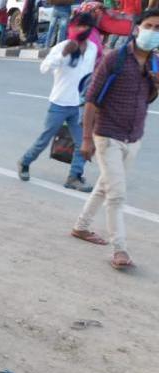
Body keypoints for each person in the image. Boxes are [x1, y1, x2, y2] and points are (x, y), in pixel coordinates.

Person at [72, 8, 159, 269]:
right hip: (107, 134)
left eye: (158, 28)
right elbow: (91, 100)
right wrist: (86, 139)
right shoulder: (114, 59)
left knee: (105, 185)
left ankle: (81, 226)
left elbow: (147, 99)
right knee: (117, 194)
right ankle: (119, 249)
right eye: (149, 26)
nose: (153, 32)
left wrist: (156, 84)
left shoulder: (155, 63)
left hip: (133, 137)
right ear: (136, 28)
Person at [17, 13, 99, 192]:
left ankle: (74, 177)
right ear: (71, 27)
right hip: (60, 103)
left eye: (85, 26)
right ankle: (25, 161)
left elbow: (91, 75)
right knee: (44, 139)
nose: (81, 29)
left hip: (79, 105)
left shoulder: (92, 48)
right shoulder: (62, 46)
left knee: (81, 144)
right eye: (78, 26)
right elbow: (44, 68)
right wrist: (63, 54)